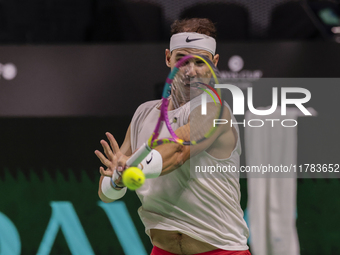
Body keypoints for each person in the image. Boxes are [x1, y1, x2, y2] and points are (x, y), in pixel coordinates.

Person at [95, 18, 251, 255]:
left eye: (200, 62)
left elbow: (178, 151)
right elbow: (106, 194)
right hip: (163, 250)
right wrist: (117, 179)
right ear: (168, 57)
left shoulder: (215, 110)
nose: (190, 71)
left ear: (214, 63)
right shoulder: (143, 113)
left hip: (221, 251)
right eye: (182, 60)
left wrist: (132, 166)